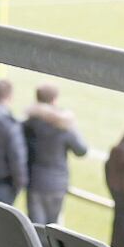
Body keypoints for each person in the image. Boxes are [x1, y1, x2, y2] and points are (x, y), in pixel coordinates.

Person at [22, 85, 87, 225]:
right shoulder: (63, 127)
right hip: (56, 184)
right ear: (54, 100)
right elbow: (81, 150)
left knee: (35, 228)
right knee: (53, 229)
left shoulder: (28, 124)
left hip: (34, 181)